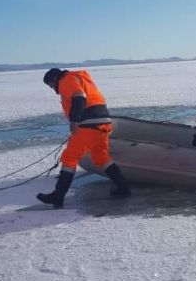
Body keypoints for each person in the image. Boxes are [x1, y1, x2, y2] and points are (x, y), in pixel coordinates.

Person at [37, 68, 131, 208]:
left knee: (69, 158)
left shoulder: (65, 80)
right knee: (101, 158)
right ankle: (123, 188)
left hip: (89, 123)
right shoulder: (80, 78)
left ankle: (58, 195)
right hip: (103, 122)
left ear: (55, 78)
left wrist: (74, 120)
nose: (52, 88)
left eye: (51, 85)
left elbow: (79, 97)